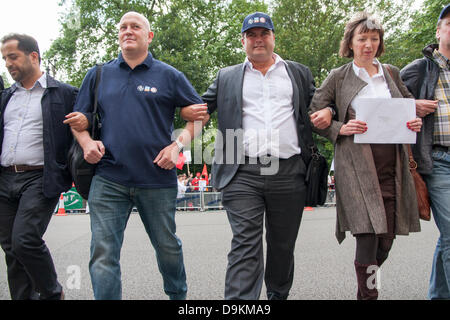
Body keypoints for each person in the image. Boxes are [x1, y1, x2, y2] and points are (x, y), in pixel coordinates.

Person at [66, 12, 207, 300]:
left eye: (135, 27)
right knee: (103, 252)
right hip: (108, 179)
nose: (128, 31)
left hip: (156, 179)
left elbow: (199, 117)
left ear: (149, 35)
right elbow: (78, 121)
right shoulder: (98, 74)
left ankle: (178, 297)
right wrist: (86, 143)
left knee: (168, 247)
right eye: (123, 27)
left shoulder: (169, 75)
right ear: (118, 35)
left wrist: (176, 147)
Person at [182, 12, 318, 300]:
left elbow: (320, 108)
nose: (258, 40)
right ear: (242, 40)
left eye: (264, 33)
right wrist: (178, 138)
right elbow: (199, 112)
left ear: (273, 37)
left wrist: (332, 114)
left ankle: (277, 296)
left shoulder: (298, 73)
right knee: (245, 244)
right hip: (241, 172)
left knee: (282, 245)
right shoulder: (227, 76)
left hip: (289, 171)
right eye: (252, 35)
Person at [308, 12, 424, 300]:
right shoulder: (338, 77)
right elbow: (313, 115)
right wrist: (340, 127)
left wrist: (414, 121)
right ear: (350, 43)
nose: (368, 45)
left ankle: (365, 284)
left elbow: (407, 106)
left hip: (393, 168)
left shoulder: (391, 73)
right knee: (367, 234)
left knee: (385, 240)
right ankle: (368, 296)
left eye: (374, 39)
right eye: (362, 39)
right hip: (356, 168)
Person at [0, 34, 77, 300]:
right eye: (4, 59)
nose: (8, 64)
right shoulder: (6, 96)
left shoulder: (64, 93)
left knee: (25, 240)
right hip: (4, 178)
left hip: (40, 179)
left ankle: (53, 294)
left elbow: (86, 125)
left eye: (13, 57)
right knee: (11, 247)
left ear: (33, 56)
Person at [401, 4, 450, 300]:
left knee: (448, 237)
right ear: (439, 31)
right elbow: (387, 102)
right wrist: (411, 105)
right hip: (439, 159)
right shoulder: (420, 69)